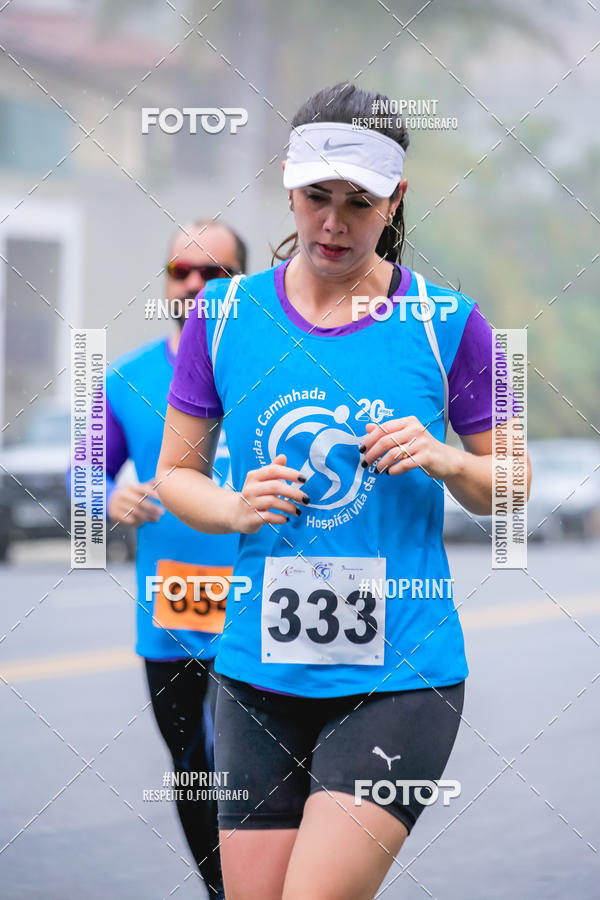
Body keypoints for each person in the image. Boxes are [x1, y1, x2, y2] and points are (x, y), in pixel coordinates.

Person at [155, 83, 531, 900]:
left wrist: (444, 458)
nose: (333, 223)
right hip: (255, 674)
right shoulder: (223, 313)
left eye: (359, 203)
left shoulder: (449, 322)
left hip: (401, 677)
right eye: (316, 197)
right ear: (287, 187)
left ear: (394, 200)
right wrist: (235, 505)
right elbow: (175, 477)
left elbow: (511, 484)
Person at [105, 220, 247, 900]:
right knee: (194, 767)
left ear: (242, 284)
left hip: (266, 602)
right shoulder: (126, 378)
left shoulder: (272, 365)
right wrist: (109, 494)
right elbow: (82, 472)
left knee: (273, 767)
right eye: (180, 270)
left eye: (213, 272)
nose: (194, 284)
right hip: (177, 608)